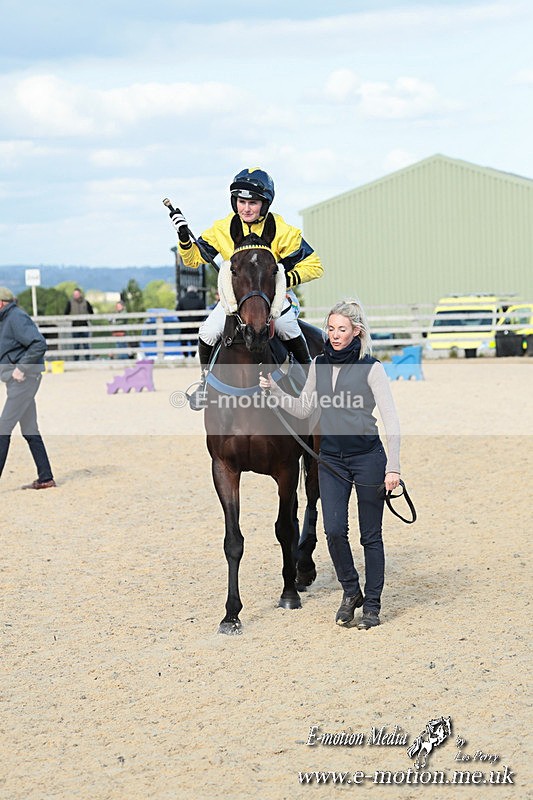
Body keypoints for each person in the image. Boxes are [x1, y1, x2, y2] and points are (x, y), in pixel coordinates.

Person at [259, 299, 401, 630]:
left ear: (356, 332)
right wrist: (275, 390)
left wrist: (393, 467)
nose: (335, 335)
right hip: (331, 460)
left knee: (370, 537)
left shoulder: (372, 368)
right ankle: (351, 591)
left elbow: (391, 420)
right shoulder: (318, 364)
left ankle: (372, 605)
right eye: (331, 329)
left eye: (342, 329)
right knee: (334, 531)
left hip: (368, 459)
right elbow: (304, 408)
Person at [169, 167, 324, 378]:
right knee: (208, 332)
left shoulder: (283, 231)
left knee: (286, 326)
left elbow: (314, 266)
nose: (246, 209)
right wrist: (184, 239)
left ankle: (309, 379)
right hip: (235, 298)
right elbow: (193, 259)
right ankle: (205, 381)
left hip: (273, 297)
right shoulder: (222, 228)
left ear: (265, 204)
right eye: (242, 202)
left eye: (253, 203)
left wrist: (279, 281)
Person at [0, 287, 56, 490]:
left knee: (3, 428)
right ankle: (45, 478)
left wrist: (21, 368)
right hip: (17, 381)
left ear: (1, 303)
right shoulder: (5, 319)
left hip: (24, 380)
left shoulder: (16, 317)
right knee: (30, 429)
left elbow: (39, 343)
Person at [176, 285, 206, 358]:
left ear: (187, 291)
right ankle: (193, 355)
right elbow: (203, 313)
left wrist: (182, 320)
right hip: (196, 326)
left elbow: (178, 312)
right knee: (194, 341)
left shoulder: (182, 301)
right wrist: (198, 320)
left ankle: (185, 355)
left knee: (184, 340)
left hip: (184, 325)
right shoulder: (200, 301)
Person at [64, 287, 93, 361]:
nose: (75, 295)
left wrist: (87, 318)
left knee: (86, 344)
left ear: (80, 294)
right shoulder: (70, 303)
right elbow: (66, 313)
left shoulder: (86, 302)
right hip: (75, 326)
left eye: (77, 294)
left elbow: (91, 312)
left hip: (84, 325)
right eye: (74, 294)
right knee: (76, 345)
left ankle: (88, 360)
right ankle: (76, 361)